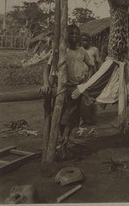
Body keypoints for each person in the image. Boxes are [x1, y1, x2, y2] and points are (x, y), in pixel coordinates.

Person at [39, 24, 94, 158]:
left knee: (71, 119)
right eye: (71, 33)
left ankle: (64, 142)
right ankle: (60, 143)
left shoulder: (82, 52)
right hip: (61, 88)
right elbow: (47, 68)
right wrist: (46, 83)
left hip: (75, 89)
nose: (74, 36)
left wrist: (86, 83)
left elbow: (92, 66)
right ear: (66, 36)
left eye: (76, 33)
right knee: (58, 117)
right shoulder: (60, 50)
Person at [80, 33, 101, 125]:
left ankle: (93, 117)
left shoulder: (94, 49)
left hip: (92, 76)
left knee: (92, 98)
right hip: (81, 76)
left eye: (86, 40)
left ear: (89, 41)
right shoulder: (79, 50)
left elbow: (97, 63)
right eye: (83, 40)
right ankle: (83, 118)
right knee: (82, 98)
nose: (85, 42)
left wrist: (99, 75)